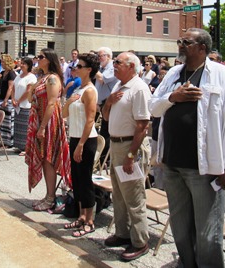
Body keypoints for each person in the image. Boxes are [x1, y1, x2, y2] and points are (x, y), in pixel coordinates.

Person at [149, 28, 225, 267]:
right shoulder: (173, 74)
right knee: (180, 226)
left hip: (204, 167)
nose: (180, 44)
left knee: (208, 231)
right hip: (172, 163)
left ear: (202, 48)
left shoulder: (220, 74)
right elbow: (153, 107)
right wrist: (173, 97)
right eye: (180, 40)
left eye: (186, 42)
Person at [101, 52, 151, 261]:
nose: (114, 65)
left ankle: (140, 242)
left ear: (131, 66)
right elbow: (104, 115)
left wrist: (131, 155)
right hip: (116, 144)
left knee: (134, 197)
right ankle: (122, 233)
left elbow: (142, 125)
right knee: (119, 195)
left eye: (118, 62)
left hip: (130, 146)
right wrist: (109, 102)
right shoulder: (118, 87)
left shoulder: (139, 88)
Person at [25, 48, 71, 211]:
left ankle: (51, 197)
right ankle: (48, 194)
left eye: (41, 57)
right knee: (43, 158)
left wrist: (43, 127)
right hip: (39, 119)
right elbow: (31, 98)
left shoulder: (52, 78)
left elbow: (52, 103)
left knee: (48, 158)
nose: (38, 59)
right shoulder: (42, 78)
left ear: (49, 60)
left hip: (49, 121)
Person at [62, 53, 99, 237]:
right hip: (74, 137)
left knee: (85, 180)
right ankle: (81, 216)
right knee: (75, 180)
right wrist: (68, 102)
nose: (74, 69)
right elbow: (63, 114)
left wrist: (81, 144)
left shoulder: (90, 91)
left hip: (86, 139)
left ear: (89, 70)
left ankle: (90, 220)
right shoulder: (78, 88)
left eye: (79, 66)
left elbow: (90, 120)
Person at [95, 47, 119, 162]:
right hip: (100, 103)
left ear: (108, 56)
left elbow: (102, 79)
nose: (99, 58)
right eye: (98, 56)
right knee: (101, 130)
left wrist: (93, 67)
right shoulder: (101, 68)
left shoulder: (112, 68)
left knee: (106, 131)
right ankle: (101, 156)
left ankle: (105, 158)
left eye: (101, 56)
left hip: (108, 102)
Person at [12, 57, 37, 156]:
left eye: (24, 64)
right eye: (21, 63)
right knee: (18, 126)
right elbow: (13, 88)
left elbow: (28, 91)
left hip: (26, 104)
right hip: (17, 104)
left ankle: (26, 148)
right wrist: (13, 99)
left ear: (29, 65)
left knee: (25, 127)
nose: (21, 65)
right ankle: (19, 145)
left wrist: (18, 101)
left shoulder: (31, 77)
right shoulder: (18, 76)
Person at [0, 54, 17, 147]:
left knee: (8, 122)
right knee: (2, 123)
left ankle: (9, 142)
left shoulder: (11, 73)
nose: (1, 63)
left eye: (3, 61)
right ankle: (3, 140)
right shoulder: (2, 73)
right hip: (1, 98)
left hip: (7, 100)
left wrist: (6, 100)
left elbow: (10, 88)